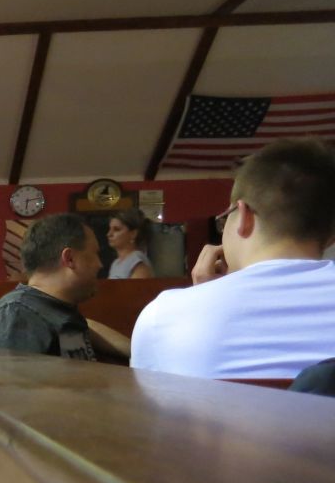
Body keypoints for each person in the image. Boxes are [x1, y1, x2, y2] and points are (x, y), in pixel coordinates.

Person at [131, 138, 335, 379]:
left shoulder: (162, 317)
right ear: (330, 236)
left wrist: (201, 297)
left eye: (226, 215)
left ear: (244, 216)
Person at [0, 212, 130, 361]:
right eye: (95, 254)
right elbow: (12, 376)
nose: (100, 264)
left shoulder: (52, 311)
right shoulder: (17, 313)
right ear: (69, 258)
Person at [106, 208, 155, 279]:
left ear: (133, 234)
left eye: (116, 229)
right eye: (110, 229)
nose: (109, 234)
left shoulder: (137, 262)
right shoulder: (116, 263)